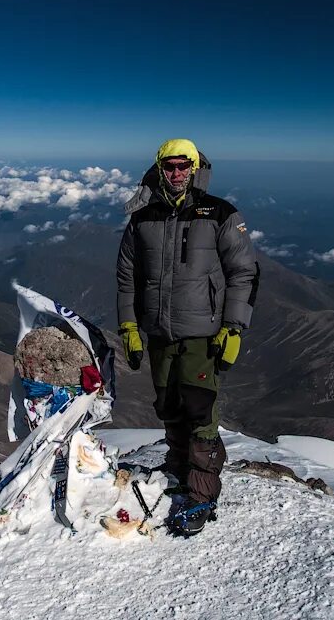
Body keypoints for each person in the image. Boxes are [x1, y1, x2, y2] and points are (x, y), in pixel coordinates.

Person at [116, 138, 259, 535]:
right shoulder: (142, 218)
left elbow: (243, 273)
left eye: (184, 166)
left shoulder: (220, 214)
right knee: (168, 406)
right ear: (160, 168)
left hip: (203, 334)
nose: (176, 173)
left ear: (195, 168)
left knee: (199, 413)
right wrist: (129, 326)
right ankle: (180, 471)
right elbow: (127, 278)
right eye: (170, 166)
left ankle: (201, 495)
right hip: (159, 333)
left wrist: (234, 326)